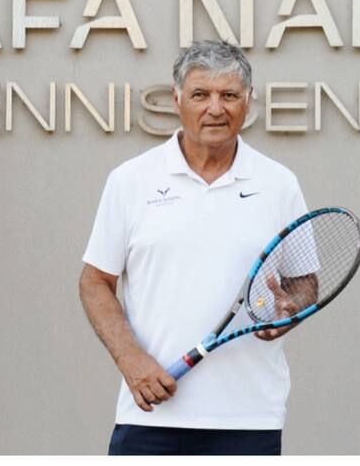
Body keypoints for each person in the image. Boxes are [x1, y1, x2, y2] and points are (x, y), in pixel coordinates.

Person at [79, 40, 309, 455]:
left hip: (250, 416)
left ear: (248, 101)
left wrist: (290, 310)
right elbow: (95, 281)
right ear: (176, 99)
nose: (215, 109)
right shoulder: (131, 181)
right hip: (150, 415)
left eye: (229, 95)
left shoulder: (279, 183)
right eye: (201, 94)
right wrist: (131, 360)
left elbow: (304, 282)